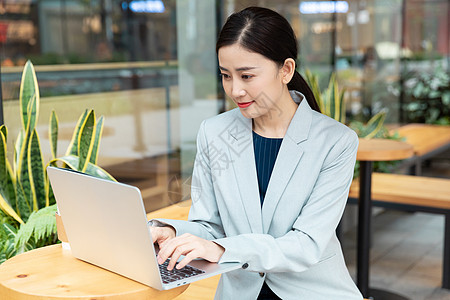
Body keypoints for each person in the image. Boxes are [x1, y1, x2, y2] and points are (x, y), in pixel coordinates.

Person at [149, 6, 363, 300]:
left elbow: (306, 244)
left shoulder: (336, 142)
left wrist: (224, 249)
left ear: (285, 70)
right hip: (240, 292)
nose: (235, 90)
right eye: (226, 75)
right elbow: (208, 225)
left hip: (311, 292)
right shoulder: (214, 133)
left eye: (247, 76)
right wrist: (171, 232)